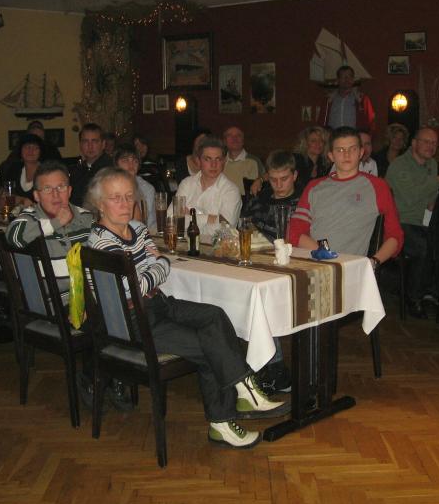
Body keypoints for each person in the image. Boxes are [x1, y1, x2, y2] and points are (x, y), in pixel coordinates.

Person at [85, 167, 289, 448]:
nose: (124, 203)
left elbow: (150, 272)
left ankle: (243, 390)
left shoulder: (137, 229)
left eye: (129, 196)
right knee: (210, 347)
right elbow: (138, 284)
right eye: (115, 197)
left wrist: (155, 266)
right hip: (130, 321)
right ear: (100, 204)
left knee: (214, 315)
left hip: (157, 304)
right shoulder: (101, 244)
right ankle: (224, 421)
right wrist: (159, 264)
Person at [289, 126, 403, 265]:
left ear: (361, 152)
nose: (346, 155)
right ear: (331, 156)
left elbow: (395, 235)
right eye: (340, 150)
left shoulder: (377, 186)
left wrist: (373, 262)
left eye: (352, 149)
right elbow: (294, 232)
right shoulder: (314, 187)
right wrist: (327, 255)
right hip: (311, 260)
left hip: (349, 267)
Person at [243, 150, 301, 394]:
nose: (278, 185)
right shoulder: (260, 199)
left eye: (284, 179)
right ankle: (255, 364)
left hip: (292, 269)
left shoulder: (303, 203)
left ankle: (274, 367)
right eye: (274, 179)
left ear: (294, 176)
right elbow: (243, 228)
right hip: (260, 266)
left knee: (260, 297)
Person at [386, 127, 439, 318]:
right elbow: (410, 197)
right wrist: (437, 181)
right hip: (399, 222)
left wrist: (438, 197)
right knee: (423, 247)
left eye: (434, 143)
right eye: (426, 142)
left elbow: (430, 198)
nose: (431, 146)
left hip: (422, 221)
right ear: (414, 143)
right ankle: (413, 298)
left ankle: (432, 291)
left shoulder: (432, 164)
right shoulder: (399, 165)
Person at [6, 160, 94, 298]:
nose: (55, 195)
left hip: (87, 299)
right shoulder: (31, 218)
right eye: (47, 189)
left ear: (69, 191)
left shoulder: (86, 218)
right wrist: (55, 223)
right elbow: (14, 236)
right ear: (36, 196)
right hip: (51, 303)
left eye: (61, 187)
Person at [171, 137, 241, 237]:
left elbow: (224, 231)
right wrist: (209, 218)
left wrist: (189, 216)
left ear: (224, 162)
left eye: (218, 159)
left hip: (215, 247)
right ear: (199, 161)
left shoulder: (231, 191)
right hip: (183, 244)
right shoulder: (186, 184)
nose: (213, 165)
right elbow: (171, 220)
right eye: (208, 159)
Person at [68, 123, 113, 207]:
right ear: (80, 145)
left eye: (94, 141)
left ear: (103, 144)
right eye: (85, 141)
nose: (90, 146)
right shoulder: (76, 171)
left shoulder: (111, 170)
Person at [113, 143, 156, 230]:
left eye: (135, 161)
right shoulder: (107, 187)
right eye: (125, 160)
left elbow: (152, 224)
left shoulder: (147, 189)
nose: (131, 165)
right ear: (116, 165)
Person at [320, 65, 375, 132]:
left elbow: (371, 123)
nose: (346, 79)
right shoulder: (328, 100)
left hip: (354, 137)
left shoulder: (362, 100)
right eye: (343, 77)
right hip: (334, 137)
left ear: (353, 79)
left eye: (349, 76)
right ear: (338, 80)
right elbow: (321, 122)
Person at [1, 133, 45, 204]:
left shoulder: (46, 172)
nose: (31, 151)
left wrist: (19, 200)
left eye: (35, 147)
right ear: (20, 150)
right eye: (27, 147)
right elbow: (5, 195)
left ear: (40, 152)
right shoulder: (14, 169)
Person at [222, 126, 265, 196]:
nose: (234, 138)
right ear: (224, 141)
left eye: (238, 135)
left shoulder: (254, 161)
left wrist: (260, 179)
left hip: (247, 201)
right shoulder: (219, 162)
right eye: (230, 135)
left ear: (243, 141)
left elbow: (268, 176)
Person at [293, 126, 329, 190]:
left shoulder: (325, 163)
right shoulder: (296, 161)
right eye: (313, 141)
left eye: (321, 140)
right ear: (305, 143)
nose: (318, 144)